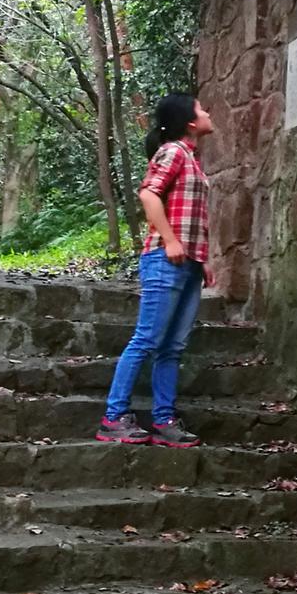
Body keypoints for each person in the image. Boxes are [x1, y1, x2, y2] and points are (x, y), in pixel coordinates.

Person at [96, 92, 214, 447]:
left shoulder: (191, 159)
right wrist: (171, 240)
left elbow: (188, 213)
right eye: (200, 109)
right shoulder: (173, 151)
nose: (207, 112)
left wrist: (200, 258)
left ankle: (164, 420)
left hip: (187, 264)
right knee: (146, 339)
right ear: (190, 122)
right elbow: (148, 194)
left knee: (172, 348)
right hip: (165, 260)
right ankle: (112, 418)